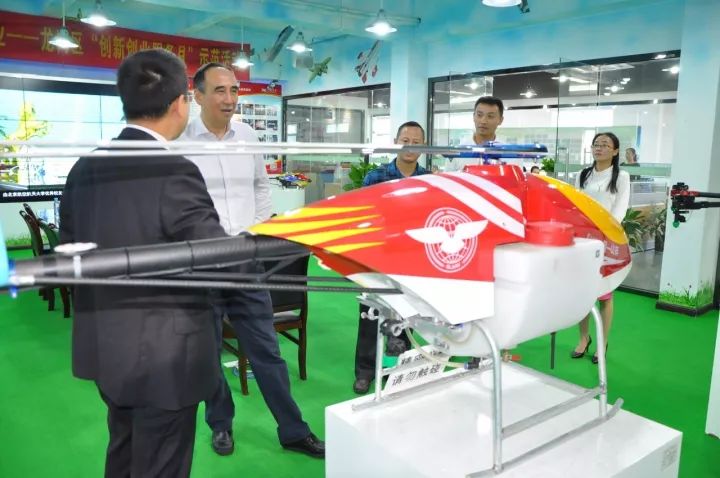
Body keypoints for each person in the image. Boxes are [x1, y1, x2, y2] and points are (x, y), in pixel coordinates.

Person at [60, 49, 228, 478]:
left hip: (107, 346)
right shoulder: (174, 171)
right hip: (165, 360)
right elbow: (216, 261)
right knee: (161, 465)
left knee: (124, 451)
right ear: (180, 103)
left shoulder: (85, 167)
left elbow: (69, 254)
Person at [180, 62, 324, 459]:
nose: (229, 99)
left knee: (267, 351)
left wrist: (258, 231)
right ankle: (220, 424)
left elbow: (262, 187)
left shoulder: (248, 136)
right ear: (198, 95)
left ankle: (293, 431)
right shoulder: (180, 141)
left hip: (247, 261)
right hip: (203, 263)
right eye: (220, 91)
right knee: (208, 353)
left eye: (234, 90)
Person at [353, 121, 432, 394]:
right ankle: (365, 372)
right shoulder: (375, 177)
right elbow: (363, 217)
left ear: (424, 146)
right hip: (377, 257)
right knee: (370, 314)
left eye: (416, 141)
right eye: (405, 140)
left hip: (411, 259)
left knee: (406, 315)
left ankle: (399, 370)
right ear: (396, 142)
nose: (410, 146)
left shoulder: (428, 181)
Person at [571, 132, 630, 364]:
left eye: (605, 145)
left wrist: (607, 233)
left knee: (604, 293)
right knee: (583, 292)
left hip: (607, 239)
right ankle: (584, 338)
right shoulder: (583, 174)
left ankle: (602, 342)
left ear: (615, 151)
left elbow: (620, 208)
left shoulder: (621, 176)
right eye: (596, 144)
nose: (599, 148)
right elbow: (575, 205)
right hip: (583, 240)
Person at [446, 96, 505, 172]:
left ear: (500, 120)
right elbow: (447, 178)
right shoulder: (458, 152)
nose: (483, 121)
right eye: (479, 115)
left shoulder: (510, 154)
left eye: (490, 116)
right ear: (474, 116)